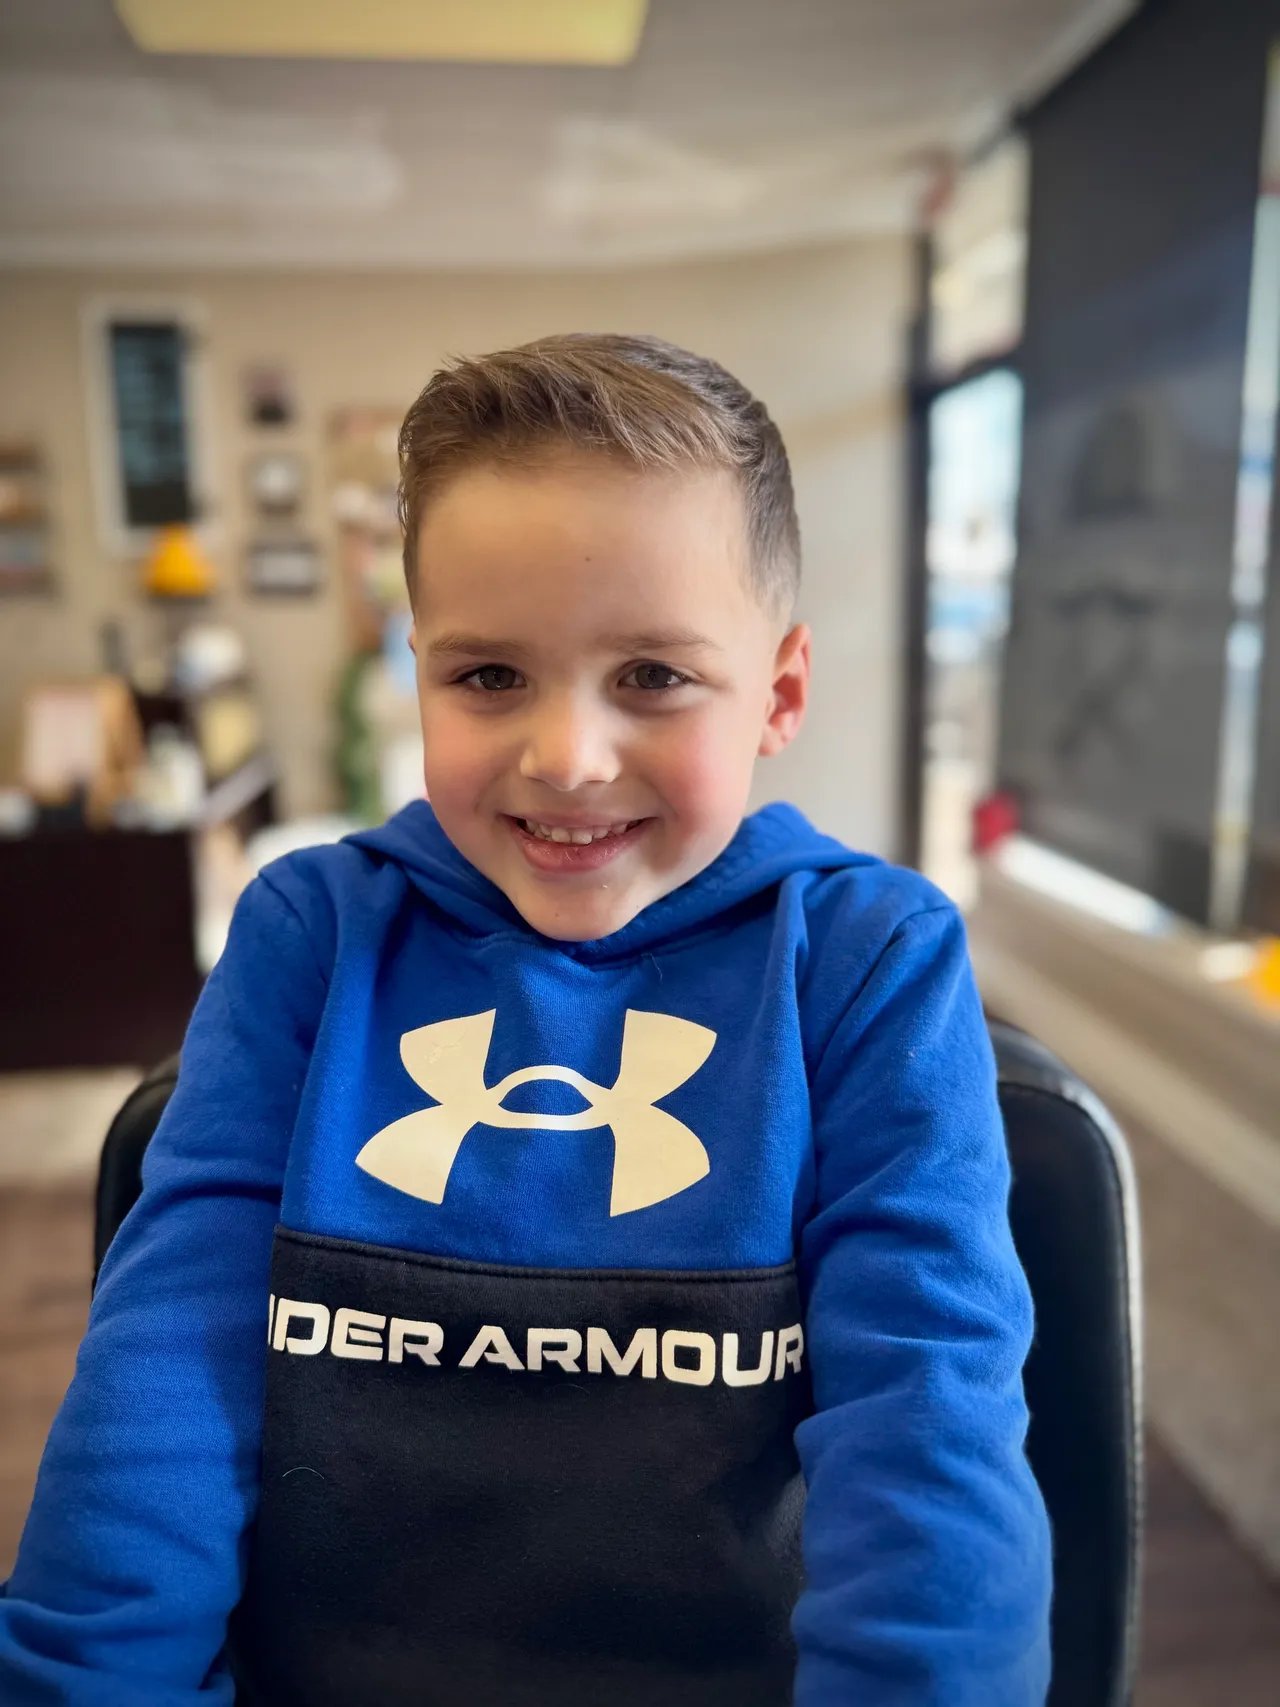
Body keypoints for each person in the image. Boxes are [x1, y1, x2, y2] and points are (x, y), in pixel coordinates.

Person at [0, 334, 1051, 1706]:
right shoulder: (313, 935)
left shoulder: (867, 957)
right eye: (489, 677)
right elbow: (168, 1369)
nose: (566, 758)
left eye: (654, 677)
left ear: (780, 693)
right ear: (415, 672)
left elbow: (931, 1423)